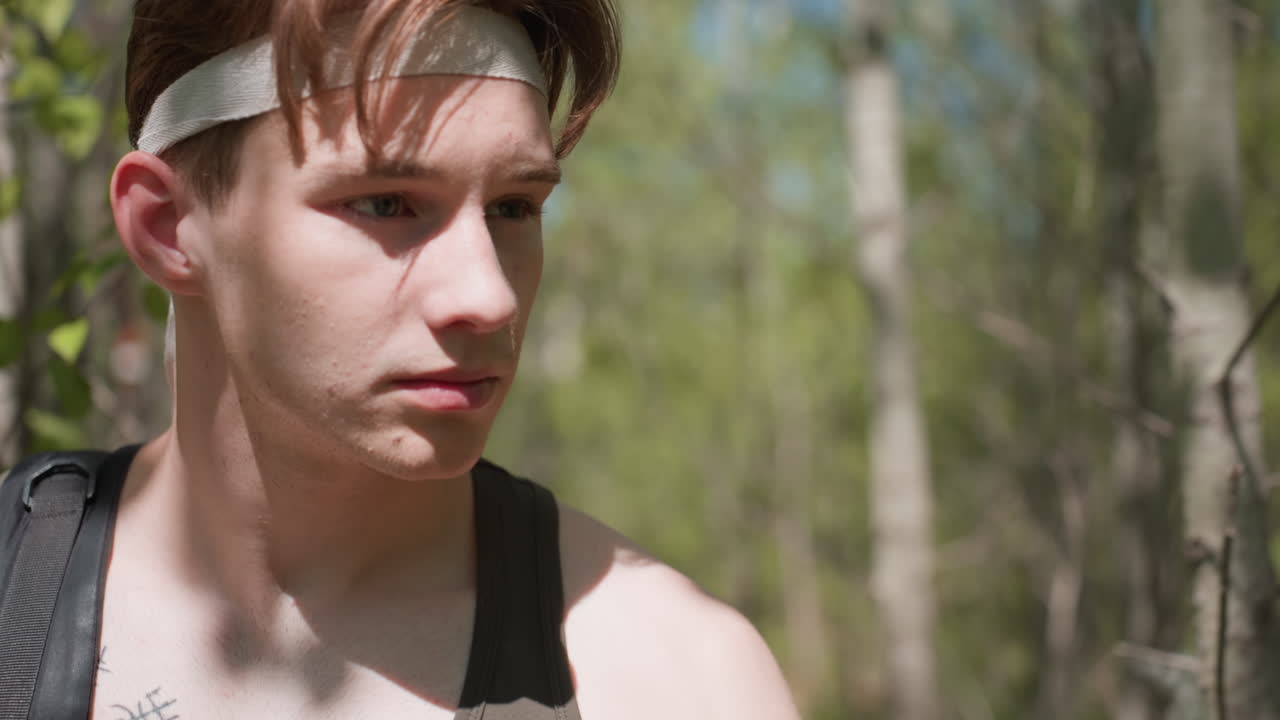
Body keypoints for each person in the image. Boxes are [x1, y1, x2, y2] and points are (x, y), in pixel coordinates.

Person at [40, 0, 804, 717]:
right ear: (169, 226)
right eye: (385, 203)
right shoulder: (20, 602)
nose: (488, 297)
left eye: (514, 207)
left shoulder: (676, 682)